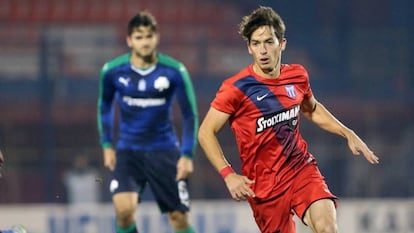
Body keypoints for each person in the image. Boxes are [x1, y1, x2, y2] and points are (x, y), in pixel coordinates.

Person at [198, 6, 379, 233]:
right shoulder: (236, 88)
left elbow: (312, 110)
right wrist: (228, 174)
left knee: (327, 227)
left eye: (268, 42)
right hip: (264, 187)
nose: (262, 50)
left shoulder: (297, 75)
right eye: (256, 44)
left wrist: (347, 132)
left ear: (282, 44)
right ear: (249, 48)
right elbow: (205, 132)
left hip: (300, 169)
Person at [97, 11, 198, 233]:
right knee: (124, 212)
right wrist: (107, 145)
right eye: (139, 37)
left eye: (148, 36)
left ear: (157, 37)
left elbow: (190, 115)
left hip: (164, 151)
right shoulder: (113, 71)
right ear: (129, 40)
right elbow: (104, 108)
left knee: (179, 218)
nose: (144, 42)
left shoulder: (174, 71)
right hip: (128, 151)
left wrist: (187, 155)